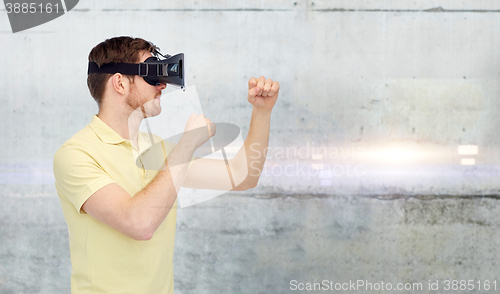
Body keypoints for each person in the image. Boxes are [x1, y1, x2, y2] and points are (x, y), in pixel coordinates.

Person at [53, 36, 280, 294]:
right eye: (151, 74)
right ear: (119, 83)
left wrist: (262, 112)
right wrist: (187, 143)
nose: (162, 85)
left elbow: (243, 177)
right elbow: (139, 224)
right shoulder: (76, 154)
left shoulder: (159, 149)